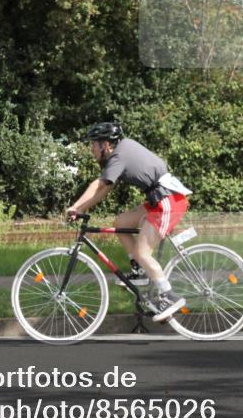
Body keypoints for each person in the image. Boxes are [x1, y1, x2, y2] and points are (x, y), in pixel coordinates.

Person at [66, 122, 192, 322]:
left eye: (94, 145)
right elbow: (105, 188)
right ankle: (140, 270)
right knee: (121, 223)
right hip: (158, 199)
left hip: (168, 201)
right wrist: (81, 208)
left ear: (106, 144)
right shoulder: (122, 150)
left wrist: (75, 206)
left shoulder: (119, 156)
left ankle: (169, 296)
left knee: (143, 252)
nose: (92, 149)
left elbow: (98, 184)